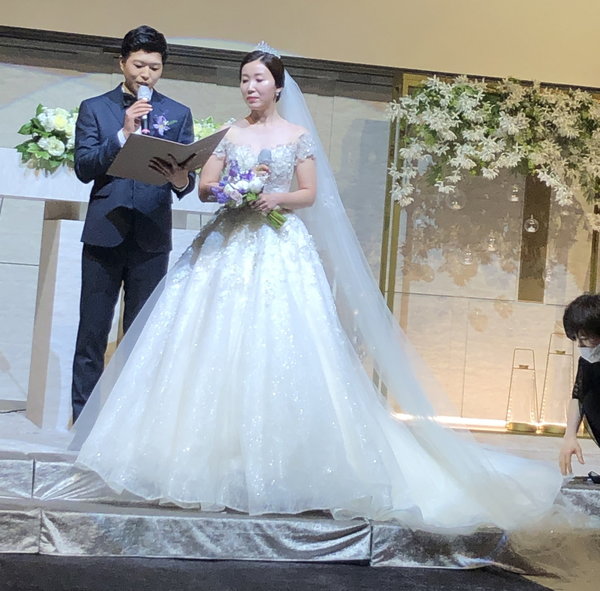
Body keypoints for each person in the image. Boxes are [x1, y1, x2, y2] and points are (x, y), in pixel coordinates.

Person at [72, 44, 562, 529]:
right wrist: (225, 190)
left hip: (277, 246)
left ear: (278, 86)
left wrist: (274, 198)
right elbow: (203, 188)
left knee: (281, 345)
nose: (250, 87)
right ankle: (202, 454)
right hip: (227, 244)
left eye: (259, 79)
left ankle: (283, 458)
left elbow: (309, 192)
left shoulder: (298, 136)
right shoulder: (229, 133)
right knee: (209, 344)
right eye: (244, 80)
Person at [71, 25, 196, 422]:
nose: (146, 74)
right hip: (105, 232)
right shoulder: (95, 108)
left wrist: (181, 178)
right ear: (122, 63)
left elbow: (186, 182)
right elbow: (84, 168)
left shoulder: (177, 113)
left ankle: (129, 425)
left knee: (142, 336)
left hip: (151, 235)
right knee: (92, 332)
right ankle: (84, 423)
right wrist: (122, 135)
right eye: (139, 65)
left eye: (154, 68)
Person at [558, 293, 600, 476]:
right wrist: (569, 436)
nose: (581, 346)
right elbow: (578, 395)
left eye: (585, 338)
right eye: (577, 339)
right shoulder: (587, 362)